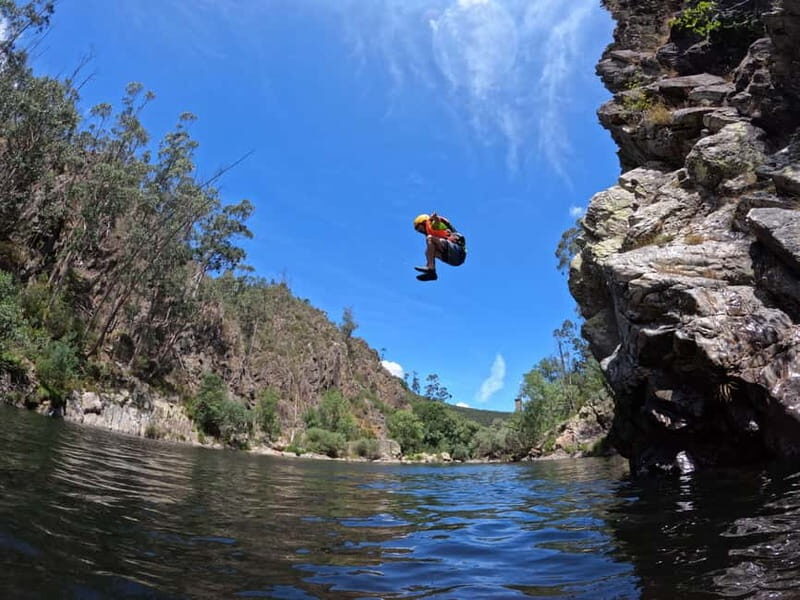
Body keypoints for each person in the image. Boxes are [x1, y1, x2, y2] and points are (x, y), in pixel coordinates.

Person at [412, 212, 466, 281]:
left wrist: (435, 217)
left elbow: (437, 221)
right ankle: (432, 273)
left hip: (458, 251)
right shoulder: (431, 235)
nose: (419, 231)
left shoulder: (432, 225)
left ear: (424, 222)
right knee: (429, 252)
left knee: (430, 238)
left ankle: (431, 267)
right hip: (454, 260)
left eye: (419, 227)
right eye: (417, 230)